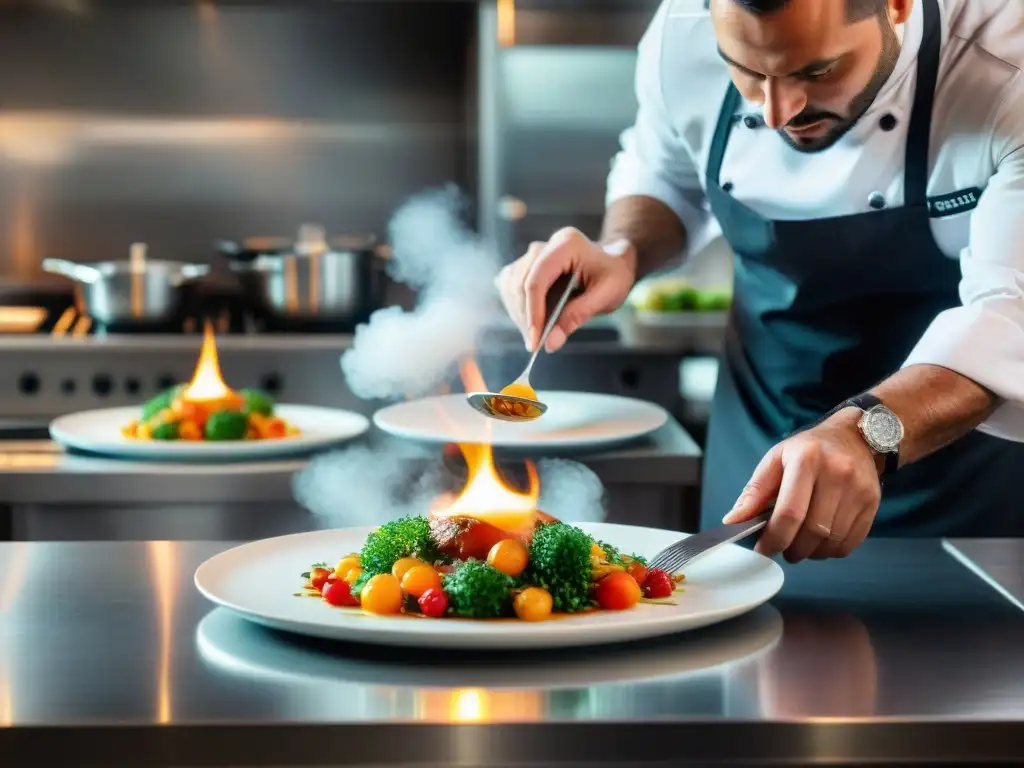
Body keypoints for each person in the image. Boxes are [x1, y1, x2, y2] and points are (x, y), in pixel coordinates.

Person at [495, 0, 1024, 562]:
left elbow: (1010, 313)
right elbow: (666, 170)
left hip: (961, 482)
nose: (777, 113)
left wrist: (866, 433)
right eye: (745, 71)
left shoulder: (1004, 67)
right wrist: (623, 252)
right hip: (757, 446)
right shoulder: (683, 30)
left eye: (817, 72)